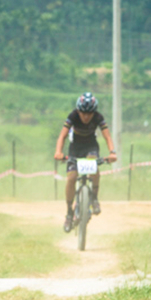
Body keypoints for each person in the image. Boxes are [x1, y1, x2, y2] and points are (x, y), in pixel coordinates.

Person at [53, 93, 117, 231]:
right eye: (83, 113)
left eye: (89, 113)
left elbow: (107, 136)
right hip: (75, 148)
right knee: (71, 178)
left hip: (90, 147)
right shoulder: (73, 116)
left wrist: (112, 152)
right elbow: (62, 135)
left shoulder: (98, 117)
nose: (86, 117)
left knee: (92, 164)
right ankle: (69, 213)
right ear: (78, 111)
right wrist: (58, 151)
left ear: (94, 112)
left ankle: (94, 198)